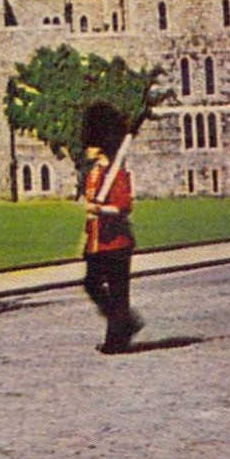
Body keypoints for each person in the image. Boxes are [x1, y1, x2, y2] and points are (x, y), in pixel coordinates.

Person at [80, 102, 142, 354]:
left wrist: (100, 210)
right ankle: (125, 322)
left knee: (118, 293)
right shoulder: (94, 173)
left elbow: (124, 206)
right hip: (96, 239)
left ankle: (116, 340)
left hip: (116, 241)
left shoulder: (117, 174)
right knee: (92, 284)